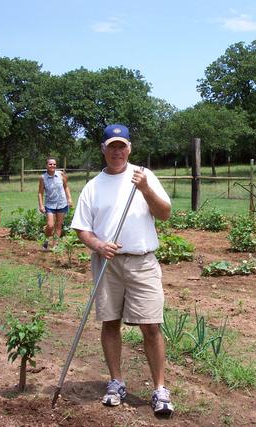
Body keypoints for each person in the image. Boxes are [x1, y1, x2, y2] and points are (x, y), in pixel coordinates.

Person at [70, 124, 174, 416]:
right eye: (111, 146)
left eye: (122, 146)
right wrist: (98, 245)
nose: (117, 151)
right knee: (110, 322)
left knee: (151, 325)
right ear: (103, 149)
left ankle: (159, 389)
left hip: (142, 261)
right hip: (107, 262)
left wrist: (144, 189)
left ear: (129, 148)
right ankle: (116, 382)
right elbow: (82, 228)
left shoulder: (144, 176)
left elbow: (164, 213)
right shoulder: (93, 186)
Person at [38, 158, 73, 251]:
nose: (52, 166)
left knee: (58, 225)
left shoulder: (61, 174)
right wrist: (41, 205)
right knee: (50, 225)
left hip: (62, 203)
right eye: (50, 164)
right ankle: (45, 241)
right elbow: (40, 193)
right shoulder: (43, 178)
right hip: (50, 204)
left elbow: (66, 187)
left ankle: (55, 246)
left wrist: (69, 199)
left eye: (54, 164)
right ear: (46, 165)